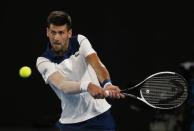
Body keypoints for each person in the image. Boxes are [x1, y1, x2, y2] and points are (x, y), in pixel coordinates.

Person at [36, 10, 124, 131]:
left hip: (100, 117)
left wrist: (107, 83)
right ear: (47, 32)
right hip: (71, 123)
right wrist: (87, 86)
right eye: (53, 32)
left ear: (69, 33)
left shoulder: (80, 41)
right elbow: (63, 85)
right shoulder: (43, 61)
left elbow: (96, 64)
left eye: (61, 32)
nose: (56, 37)